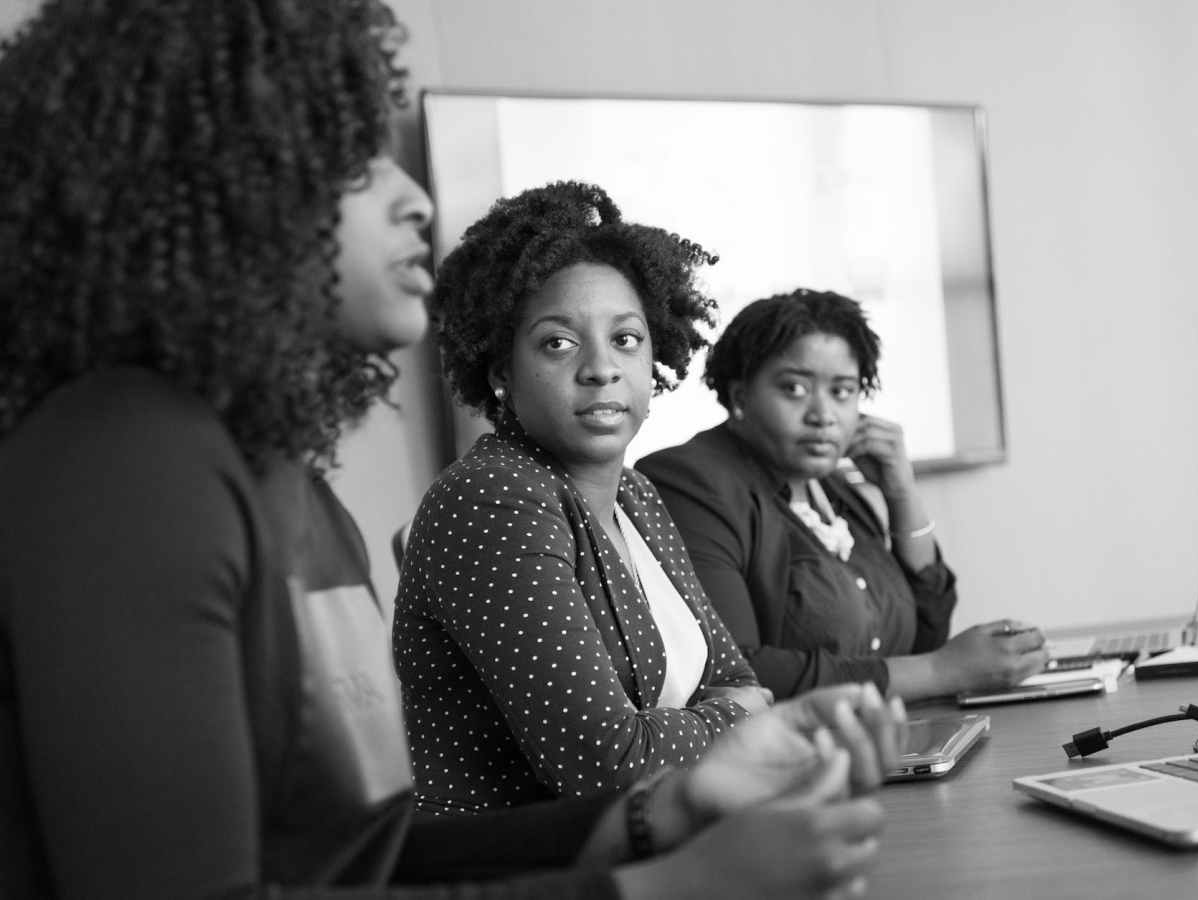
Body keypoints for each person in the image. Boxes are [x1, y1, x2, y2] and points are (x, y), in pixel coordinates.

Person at [0, 3, 903, 898]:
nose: (416, 199)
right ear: (206, 189)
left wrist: (661, 814)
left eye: (626, 340)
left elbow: (356, 862)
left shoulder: (293, 487)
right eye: (356, 159)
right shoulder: (124, 465)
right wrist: (664, 885)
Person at [396, 181, 783, 814]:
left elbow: (736, 677)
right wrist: (731, 720)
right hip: (526, 873)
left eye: (626, 339)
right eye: (558, 342)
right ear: (500, 372)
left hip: (659, 843)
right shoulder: (491, 497)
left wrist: (727, 710)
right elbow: (605, 765)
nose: (601, 368)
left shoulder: (635, 495)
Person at [637, 289, 1049, 701]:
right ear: (741, 395)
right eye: (794, 389)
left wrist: (901, 494)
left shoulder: (835, 487)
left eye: (842, 391)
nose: (823, 415)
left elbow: (922, 637)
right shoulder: (690, 482)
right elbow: (737, 672)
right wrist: (940, 670)